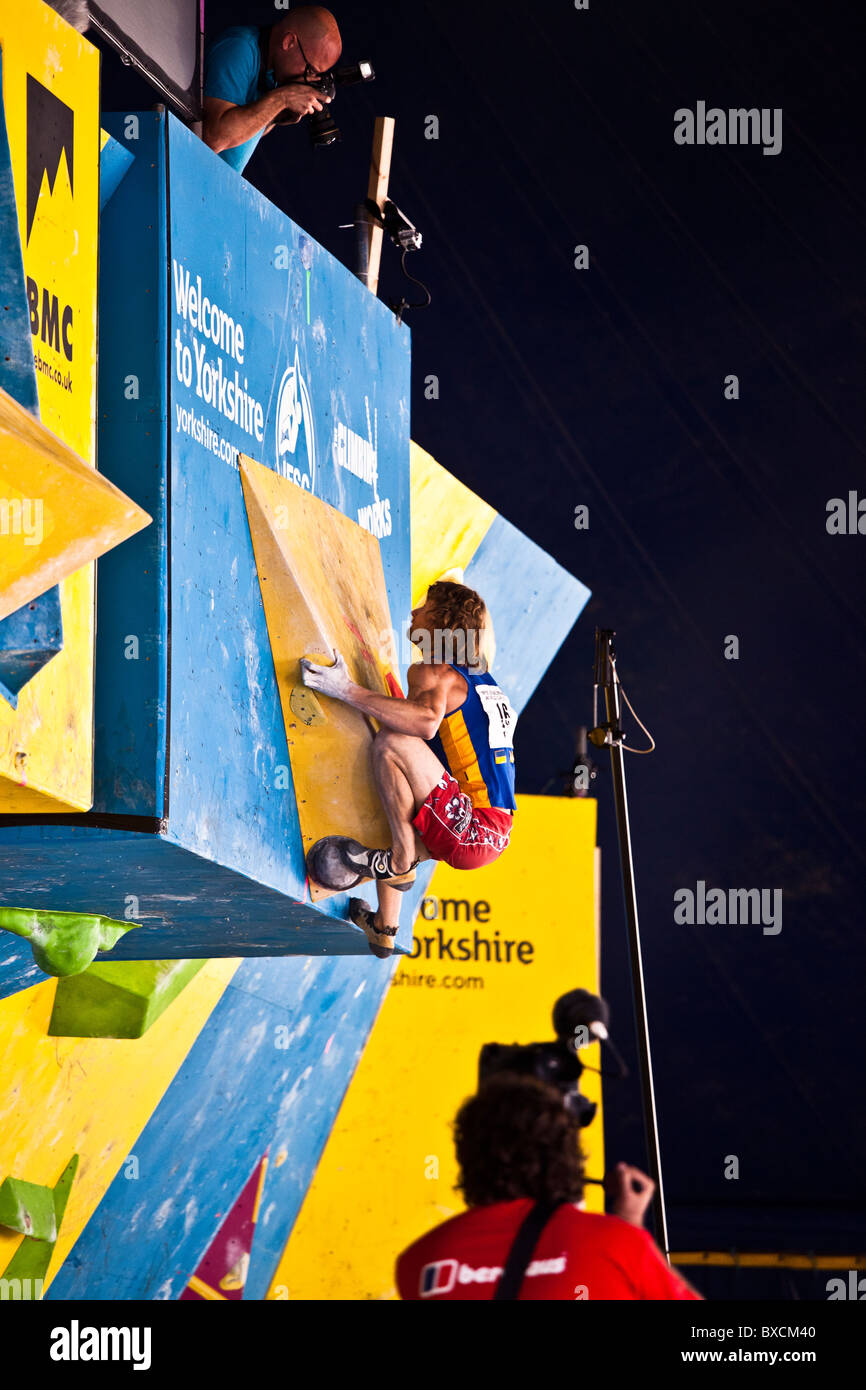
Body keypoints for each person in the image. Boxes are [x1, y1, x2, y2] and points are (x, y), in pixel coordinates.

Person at [300, 581, 517, 955]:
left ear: (441, 623)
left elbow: (425, 723)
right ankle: (385, 928)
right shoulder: (482, 682)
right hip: (494, 835)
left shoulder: (436, 670)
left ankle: (400, 861)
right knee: (397, 805)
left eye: (425, 607)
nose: (414, 612)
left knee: (390, 744)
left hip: (474, 827)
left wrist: (345, 690)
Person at [396, 1075, 703, 1300]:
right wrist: (630, 1229)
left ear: (467, 1157)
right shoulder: (617, 1245)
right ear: (566, 1156)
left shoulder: (419, 1261)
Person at [202, 7, 342, 175]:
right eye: (310, 70)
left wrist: (274, 117)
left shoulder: (275, 73)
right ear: (289, 41)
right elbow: (212, 138)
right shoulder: (239, 48)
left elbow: (241, 135)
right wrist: (281, 99)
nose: (309, 79)